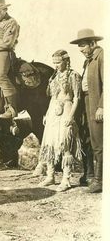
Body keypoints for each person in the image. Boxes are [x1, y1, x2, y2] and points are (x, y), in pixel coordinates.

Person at [36, 50, 82, 192]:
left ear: (66, 61)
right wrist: (47, 114)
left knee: (64, 143)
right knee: (49, 143)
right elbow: (52, 97)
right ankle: (50, 176)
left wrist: (71, 116)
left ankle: (66, 179)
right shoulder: (54, 76)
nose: (55, 65)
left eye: (58, 62)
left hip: (67, 108)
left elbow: (77, 98)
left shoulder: (73, 75)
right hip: (53, 110)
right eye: (54, 63)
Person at [70, 29, 103, 193]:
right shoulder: (89, 60)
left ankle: (99, 180)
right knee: (90, 139)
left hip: (96, 102)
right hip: (87, 101)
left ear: (92, 43)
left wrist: (102, 106)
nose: (81, 49)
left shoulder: (101, 57)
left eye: (83, 45)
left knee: (98, 141)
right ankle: (91, 176)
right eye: (79, 46)